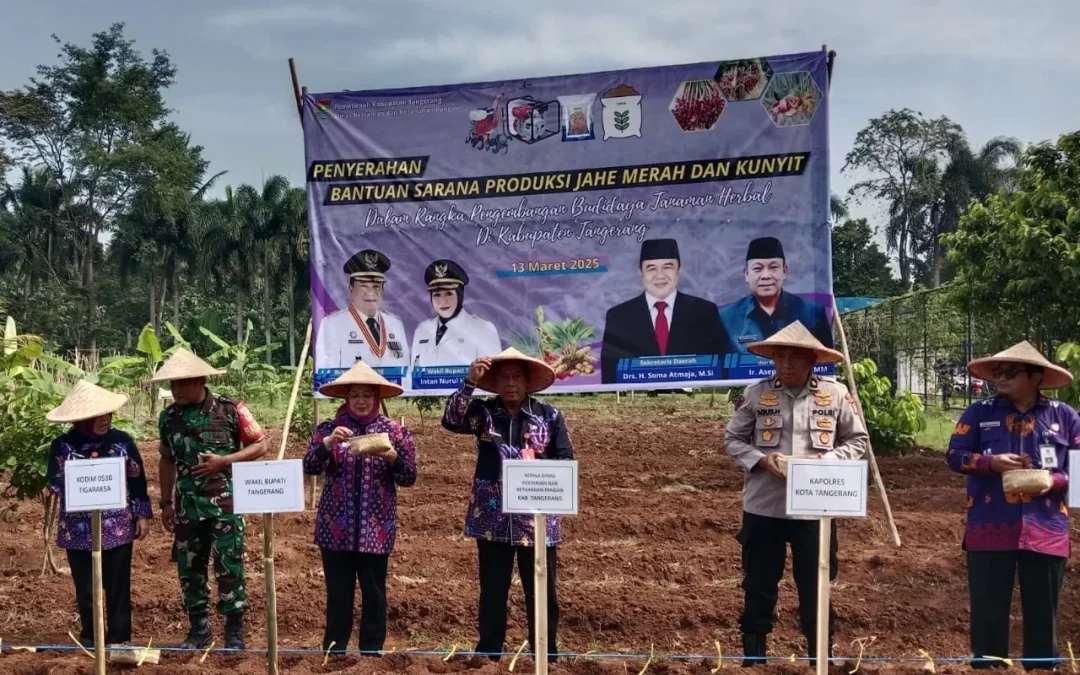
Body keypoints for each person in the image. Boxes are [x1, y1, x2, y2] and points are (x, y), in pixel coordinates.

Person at [723, 321, 868, 668]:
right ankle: (754, 657)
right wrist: (761, 460)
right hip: (765, 507)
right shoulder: (756, 394)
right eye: (779, 358)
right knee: (758, 583)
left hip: (815, 509)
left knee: (816, 584)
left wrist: (826, 462)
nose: (785, 365)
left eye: (794, 358)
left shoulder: (835, 394)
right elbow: (733, 439)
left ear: (812, 360)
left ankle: (820, 657)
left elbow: (857, 440)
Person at [947, 341, 1079, 670]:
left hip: (1046, 528)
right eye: (998, 372)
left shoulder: (1065, 416)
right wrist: (989, 463)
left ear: (1036, 377)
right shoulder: (979, 413)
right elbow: (954, 455)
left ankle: (1041, 667)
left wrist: (1053, 481)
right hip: (990, 525)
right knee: (988, 608)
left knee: (1043, 609)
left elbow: (1078, 471)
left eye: (1011, 372)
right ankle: (990, 666)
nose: (1001, 378)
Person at [441, 347, 575, 663]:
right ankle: (489, 655)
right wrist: (468, 383)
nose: (510, 384)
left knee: (541, 590)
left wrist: (536, 470)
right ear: (496, 383)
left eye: (517, 377)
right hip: (492, 517)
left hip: (537, 519)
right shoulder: (483, 413)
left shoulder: (549, 415)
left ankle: (546, 655)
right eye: (504, 378)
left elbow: (565, 458)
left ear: (528, 382)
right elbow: (450, 420)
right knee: (492, 590)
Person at [152, 348, 268, 650]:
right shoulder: (168, 417)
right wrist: (166, 503)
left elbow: (260, 445)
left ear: (200, 381)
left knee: (229, 566)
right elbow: (166, 459)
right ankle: (199, 630)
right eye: (172, 384)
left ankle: (234, 633)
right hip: (187, 507)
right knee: (190, 569)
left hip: (225, 505)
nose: (176, 390)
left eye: (182, 383)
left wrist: (225, 461)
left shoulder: (230, 409)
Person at [304, 361, 418, 655]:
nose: (361, 401)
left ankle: (371, 651)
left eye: (367, 395)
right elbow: (310, 466)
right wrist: (328, 443)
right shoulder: (329, 429)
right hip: (335, 528)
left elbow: (409, 477)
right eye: (355, 395)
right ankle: (334, 650)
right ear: (346, 398)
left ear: (377, 397)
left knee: (374, 593)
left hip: (375, 527)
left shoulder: (394, 433)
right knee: (338, 594)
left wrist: (392, 457)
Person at [45, 380, 152, 649]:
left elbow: (137, 477)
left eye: (108, 414)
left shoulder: (122, 441)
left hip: (118, 527)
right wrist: (81, 485)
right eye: (98, 415)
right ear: (82, 418)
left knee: (118, 586)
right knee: (86, 588)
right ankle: (91, 638)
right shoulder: (63, 445)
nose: (105, 419)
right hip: (78, 529)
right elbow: (54, 479)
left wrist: (141, 514)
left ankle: (120, 639)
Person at [600, 238, 729, 384]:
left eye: (668, 267)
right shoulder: (619, 317)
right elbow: (610, 376)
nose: (660, 275)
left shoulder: (704, 312)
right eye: (651, 268)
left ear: (679, 270)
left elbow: (721, 367)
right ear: (640, 273)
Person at [719, 237, 833, 355]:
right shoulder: (726, 318)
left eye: (773, 268)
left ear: (784, 271)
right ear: (746, 274)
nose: (766, 276)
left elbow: (826, 359)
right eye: (757, 269)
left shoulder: (812, 312)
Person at [315, 248, 410, 375]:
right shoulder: (332, 324)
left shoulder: (395, 324)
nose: (371, 292)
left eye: (376, 286)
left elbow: (405, 373)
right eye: (364, 286)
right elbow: (325, 375)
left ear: (383, 290)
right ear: (351, 289)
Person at [410, 259, 501, 377]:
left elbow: (493, 377)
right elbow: (414, 375)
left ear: (460, 294)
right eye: (437, 295)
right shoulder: (422, 330)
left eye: (448, 293)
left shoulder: (483, 329)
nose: (442, 301)